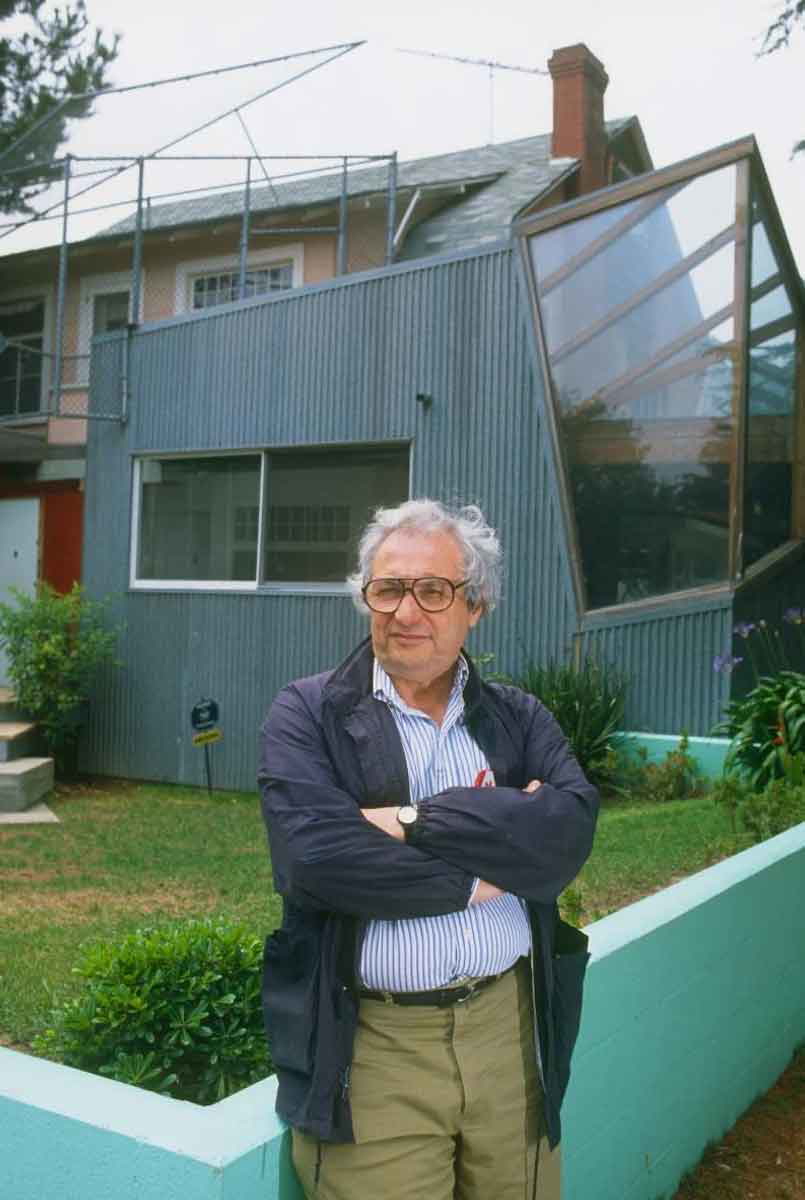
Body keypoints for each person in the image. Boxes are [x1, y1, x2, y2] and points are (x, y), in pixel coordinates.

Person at [258, 498, 598, 1200]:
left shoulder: (517, 716)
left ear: (475, 606)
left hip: (509, 1036)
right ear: (365, 598)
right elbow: (317, 861)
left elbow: (564, 834)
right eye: (386, 589)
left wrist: (409, 819)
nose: (404, 611)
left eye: (432, 591)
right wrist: (487, 875)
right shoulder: (308, 713)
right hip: (374, 1051)